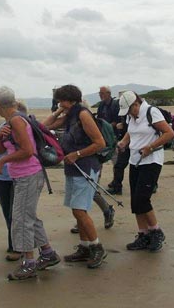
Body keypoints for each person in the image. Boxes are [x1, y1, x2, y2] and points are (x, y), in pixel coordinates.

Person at [0, 87, 60, 280]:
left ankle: (29, 263)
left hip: (28, 175)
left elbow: (28, 151)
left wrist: (3, 161)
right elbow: (0, 149)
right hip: (24, 175)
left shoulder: (16, 121)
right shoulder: (12, 121)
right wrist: (0, 137)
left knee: (21, 219)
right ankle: (47, 253)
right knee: (28, 216)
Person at [43, 84, 108, 269]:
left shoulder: (83, 114)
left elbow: (100, 143)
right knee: (76, 209)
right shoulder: (70, 115)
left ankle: (97, 247)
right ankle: (85, 247)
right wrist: (58, 111)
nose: (59, 103)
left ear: (71, 100)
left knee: (80, 209)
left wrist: (77, 154)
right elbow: (44, 127)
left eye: (62, 100)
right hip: (73, 168)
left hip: (86, 167)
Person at [116, 91, 174, 252]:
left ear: (136, 104)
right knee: (135, 201)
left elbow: (169, 133)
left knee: (142, 198)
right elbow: (130, 131)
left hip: (152, 161)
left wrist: (151, 147)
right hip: (135, 161)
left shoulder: (151, 112)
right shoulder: (131, 116)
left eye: (129, 110)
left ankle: (156, 232)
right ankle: (143, 234)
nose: (128, 114)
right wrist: (123, 142)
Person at [0, 101, 28, 262]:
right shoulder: (3, 126)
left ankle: (18, 247)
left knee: (16, 214)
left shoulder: (23, 126)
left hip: (19, 175)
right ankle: (15, 244)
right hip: (2, 176)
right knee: (8, 212)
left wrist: (3, 159)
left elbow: (26, 150)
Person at [68, 95, 115, 233]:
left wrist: (78, 154)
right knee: (83, 192)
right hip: (80, 163)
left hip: (92, 162)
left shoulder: (90, 124)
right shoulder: (75, 123)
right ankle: (84, 220)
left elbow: (99, 144)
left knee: (89, 192)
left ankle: (106, 211)